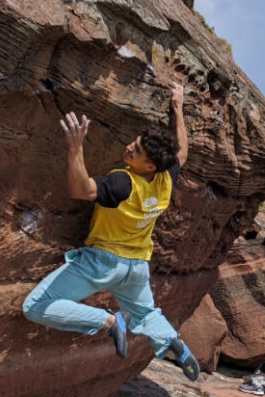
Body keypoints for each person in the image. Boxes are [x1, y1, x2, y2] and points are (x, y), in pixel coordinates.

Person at [22, 81, 200, 380]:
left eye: (138, 150)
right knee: (145, 314)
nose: (130, 147)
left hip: (101, 264)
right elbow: (182, 152)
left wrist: (75, 148)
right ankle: (172, 340)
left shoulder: (123, 183)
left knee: (36, 306)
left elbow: (81, 189)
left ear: (150, 166)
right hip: (137, 268)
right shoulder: (166, 179)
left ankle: (107, 322)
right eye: (135, 141)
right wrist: (178, 106)